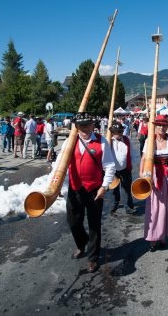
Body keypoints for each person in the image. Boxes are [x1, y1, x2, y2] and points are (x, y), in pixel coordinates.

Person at [52, 112, 116, 273]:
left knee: (94, 224)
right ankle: (82, 244)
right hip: (75, 188)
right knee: (73, 222)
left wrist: (104, 187)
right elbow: (60, 164)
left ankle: (93, 258)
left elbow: (109, 166)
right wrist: (56, 184)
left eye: (87, 125)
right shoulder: (69, 142)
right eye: (81, 126)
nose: (84, 128)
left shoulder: (101, 142)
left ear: (93, 125)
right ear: (76, 127)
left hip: (95, 189)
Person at [140, 115, 168, 252]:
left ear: (167, 127)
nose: (162, 128)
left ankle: (163, 235)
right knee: (154, 207)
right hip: (154, 175)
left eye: (164, 125)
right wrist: (142, 174)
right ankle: (153, 237)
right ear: (155, 127)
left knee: (167, 206)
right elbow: (143, 159)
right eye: (159, 125)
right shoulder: (149, 141)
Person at [109, 121, 136, 214]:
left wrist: (131, 164)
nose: (120, 134)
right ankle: (115, 204)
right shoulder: (109, 141)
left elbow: (132, 153)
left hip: (125, 168)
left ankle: (129, 206)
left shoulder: (127, 140)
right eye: (117, 132)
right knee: (115, 189)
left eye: (121, 131)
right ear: (112, 132)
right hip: (113, 170)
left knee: (127, 188)